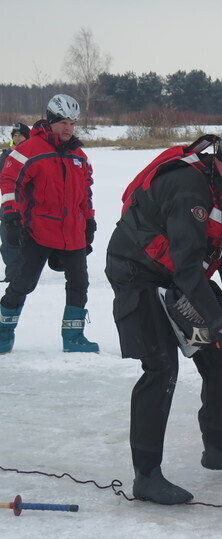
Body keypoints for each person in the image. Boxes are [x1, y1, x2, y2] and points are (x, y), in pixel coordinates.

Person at [105, 119, 222, 505]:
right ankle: (146, 477)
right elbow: (185, 268)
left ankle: (218, 450)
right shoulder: (189, 188)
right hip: (137, 273)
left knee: (221, 356)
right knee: (161, 366)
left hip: (180, 275)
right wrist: (216, 321)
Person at [0, 97, 98, 355]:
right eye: (63, 122)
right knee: (23, 283)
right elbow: (9, 182)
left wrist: (89, 221)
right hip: (38, 230)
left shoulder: (79, 156)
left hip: (73, 231)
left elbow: (86, 193)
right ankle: (3, 332)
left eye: (72, 124)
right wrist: (11, 216)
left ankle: (74, 337)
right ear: (51, 121)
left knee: (79, 283)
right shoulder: (29, 150)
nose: (68, 128)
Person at [0, 122, 30, 283]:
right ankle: (12, 275)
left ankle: (27, 273)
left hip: (29, 206)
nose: (17, 138)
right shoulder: (6, 156)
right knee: (8, 240)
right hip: (9, 204)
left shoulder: (33, 154)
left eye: (21, 135)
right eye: (15, 135)